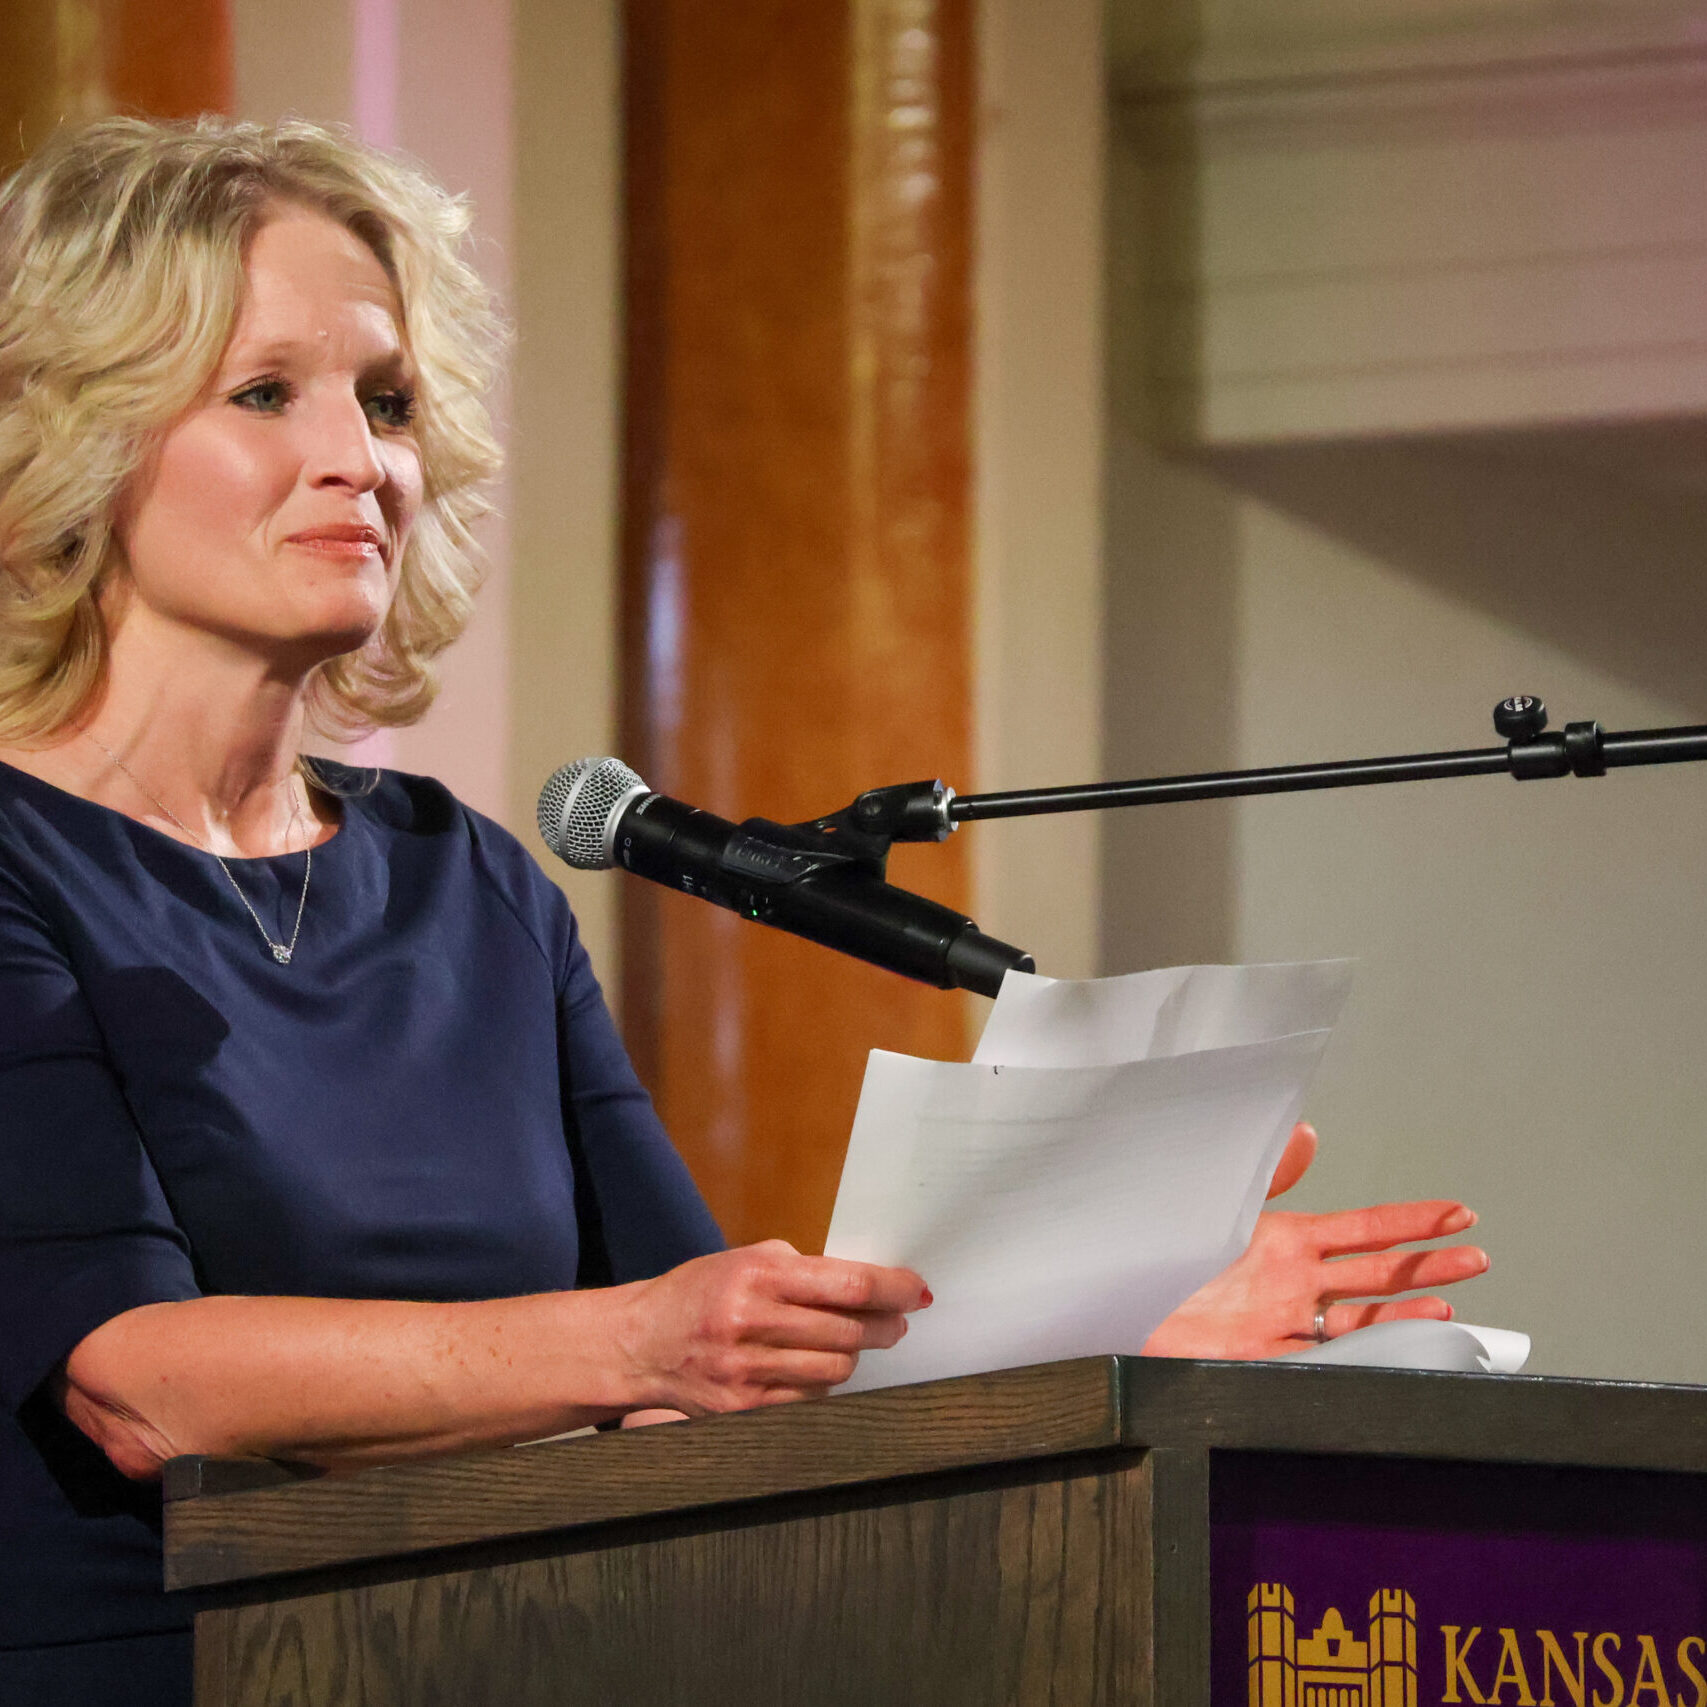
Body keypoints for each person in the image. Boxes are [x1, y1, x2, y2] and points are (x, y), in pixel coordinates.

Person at [0, 116, 1485, 1704]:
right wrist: (634, 1345)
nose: (362, 461)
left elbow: (716, 1388)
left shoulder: (471, 887)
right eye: (266, 394)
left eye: (386, 401)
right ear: (77, 434)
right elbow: (142, 1381)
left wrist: (1111, 1336)